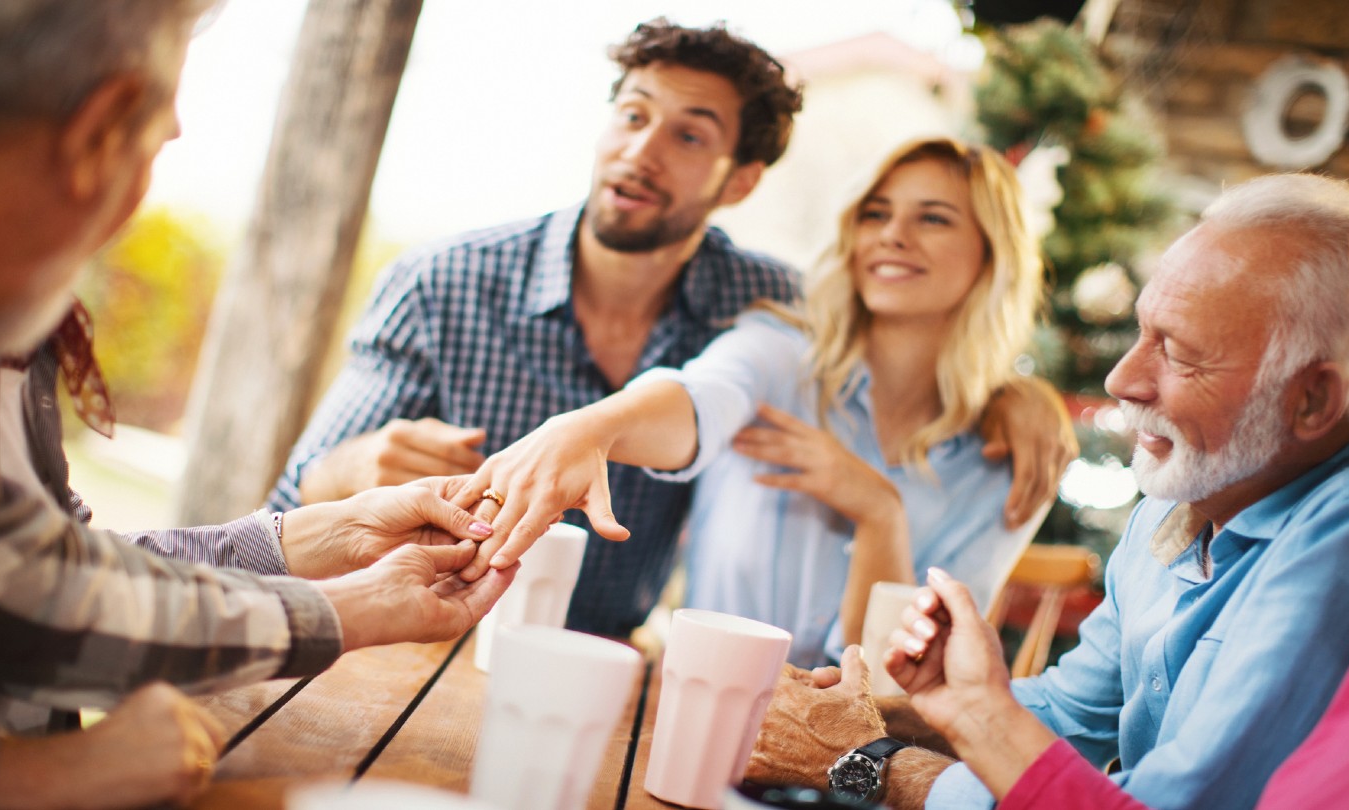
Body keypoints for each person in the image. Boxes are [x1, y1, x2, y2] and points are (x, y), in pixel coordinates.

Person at [0, 1, 515, 805]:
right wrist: (19, 779)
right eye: (158, 145)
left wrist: (329, 546)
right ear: (102, 129)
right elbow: (9, 586)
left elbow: (3, 568)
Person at [270, 19, 1077, 638]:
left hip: (602, 658)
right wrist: (352, 468)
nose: (642, 152)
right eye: (631, 116)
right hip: (407, 635)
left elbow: (879, 327)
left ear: (741, 181)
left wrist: (1012, 392)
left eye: (688, 134)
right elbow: (291, 497)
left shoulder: (760, 300)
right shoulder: (444, 282)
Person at [743, 172, 1349, 809]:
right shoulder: (1185, 499)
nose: (1123, 381)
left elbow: (1172, 805)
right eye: (1140, 332)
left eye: (1177, 351)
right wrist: (882, 710)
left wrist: (864, 760)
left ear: (1316, 399)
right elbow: (1071, 714)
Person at [461, 136, 1046, 668]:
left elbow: (911, 683)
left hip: (857, 765)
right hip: (691, 711)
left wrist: (878, 512)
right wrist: (593, 428)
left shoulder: (1006, 460)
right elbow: (695, 402)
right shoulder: (777, 355)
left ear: (993, 254)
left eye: (934, 219)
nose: (892, 235)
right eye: (875, 214)